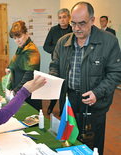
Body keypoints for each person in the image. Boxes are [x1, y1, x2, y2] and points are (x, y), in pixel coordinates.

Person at [49, 2, 121, 155]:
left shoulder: (109, 41)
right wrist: (54, 81)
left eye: (82, 23)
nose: (76, 28)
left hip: (94, 103)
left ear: (92, 20)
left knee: (92, 147)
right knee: (69, 144)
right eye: (73, 23)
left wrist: (97, 92)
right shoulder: (63, 42)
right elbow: (54, 65)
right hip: (69, 101)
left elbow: (115, 73)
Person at [5, 20, 42, 111]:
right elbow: (16, 62)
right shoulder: (21, 48)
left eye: (19, 37)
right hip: (21, 90)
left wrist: (15, 91)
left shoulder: (31, 50)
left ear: (26, 34)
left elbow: (29, 75)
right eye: (14, 38)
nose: (17, 41)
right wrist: (8, 68)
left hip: (28, 92)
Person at [43, 8, 72, 115]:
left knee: (66, 89)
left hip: (70, 65)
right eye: (60, 18)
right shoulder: (53, 30)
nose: (62, 20)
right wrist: (57, 50)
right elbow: (46, 46)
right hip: (56, 64)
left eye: (64, 17)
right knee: (55, 88)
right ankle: (51, 105)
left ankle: (63, 110)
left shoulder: (73, 30)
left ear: (69, 18)